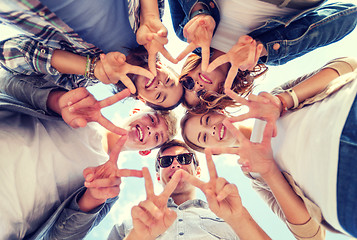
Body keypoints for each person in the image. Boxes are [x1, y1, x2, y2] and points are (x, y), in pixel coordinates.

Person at [181, 56, 357, 238]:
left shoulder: (269, 99)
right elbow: (311, 234)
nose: (212, 130)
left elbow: (348, 66)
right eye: (203, 137)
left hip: (347, 110)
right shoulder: (257, 177)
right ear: (213, 152)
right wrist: (269, 170)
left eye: (208, 120)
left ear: (220, 111)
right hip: (342, 189)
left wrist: (283, 101)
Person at [0, 89, 144, 239]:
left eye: (159, 137)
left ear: (146, 152)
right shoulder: (83, 107)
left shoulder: (109, 192)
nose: (151, 130)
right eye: (153, 119)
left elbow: (59, 237)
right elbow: (10, 79)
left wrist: (93, 198)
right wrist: (56, 100)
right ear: (136, 110)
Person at [170, 0, 357, 109]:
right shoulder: (273, 54)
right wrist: (263, 46)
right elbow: (348, 16)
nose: (197, 86)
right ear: (221, 94)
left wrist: (198, 11)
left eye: (188, 84)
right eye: (203, 95)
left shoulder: (186, 31)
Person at [0, 0, 185, 110]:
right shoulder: (153, 21)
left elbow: (9, 54)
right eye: (168, 81)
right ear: (165, 68)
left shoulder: (78, 80)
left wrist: (91, 67)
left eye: (160, 96)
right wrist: (150, 15)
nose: (160, 84)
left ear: (141, 99)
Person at [107, 139, 271, 239]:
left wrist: (239, 217)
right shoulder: (129, 224)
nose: (176, 164)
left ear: (198, 170)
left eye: (184, 158)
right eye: (166, 162)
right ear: (158, 176)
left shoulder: (229, 216)